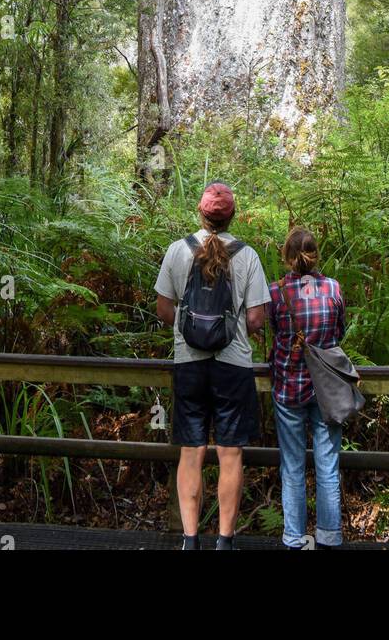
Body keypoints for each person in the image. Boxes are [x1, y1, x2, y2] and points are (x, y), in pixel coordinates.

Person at [155, 181, 271, 550]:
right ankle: (224, 540)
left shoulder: (177, 251)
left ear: (201, 214)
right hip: (232, 365)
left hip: (189, 363)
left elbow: (163, 309)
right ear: (232, 215)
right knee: (230, 452)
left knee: (191, 450)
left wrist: (189, 330)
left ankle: (190, 541)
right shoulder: (247, 255)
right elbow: (256, 318)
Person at [269, 226, 346, 550]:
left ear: (287, 258)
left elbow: (273, 332)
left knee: (293, 466)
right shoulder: (332, 288)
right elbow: (339, 332)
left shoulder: (276, 293)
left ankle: (295, 538)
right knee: (328, 465)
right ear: (316, 256)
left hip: (289, 386)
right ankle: (329, 537)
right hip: (326, 388)